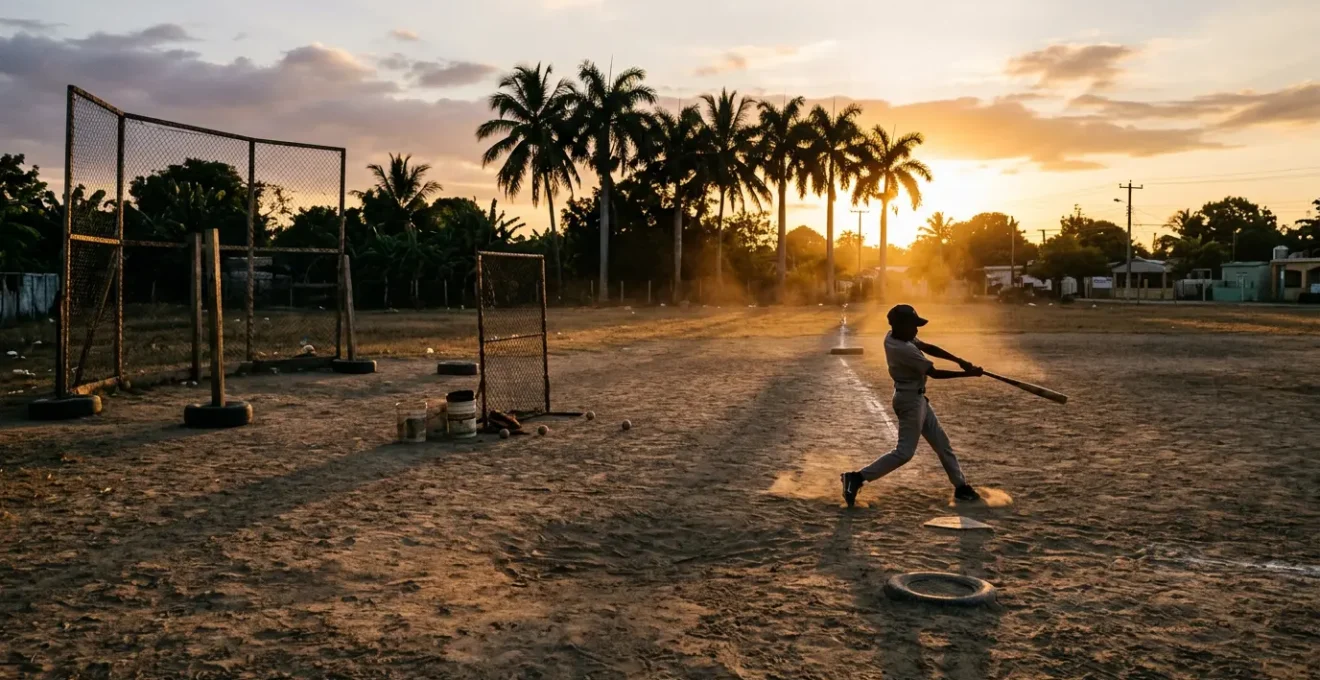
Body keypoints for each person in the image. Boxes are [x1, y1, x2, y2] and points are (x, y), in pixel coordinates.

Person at [841, 304, 983, 507]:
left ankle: (961, 487)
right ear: (901, 326)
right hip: (909, 402)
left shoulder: (895, 335)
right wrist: (968, 374)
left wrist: (959, 360)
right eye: (913, 326)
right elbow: (934, 373)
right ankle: (856, 478)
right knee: (904, 452)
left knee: (942, 444)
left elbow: (927, 346)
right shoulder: (903, 349)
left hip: (917, 399)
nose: (916, 330)